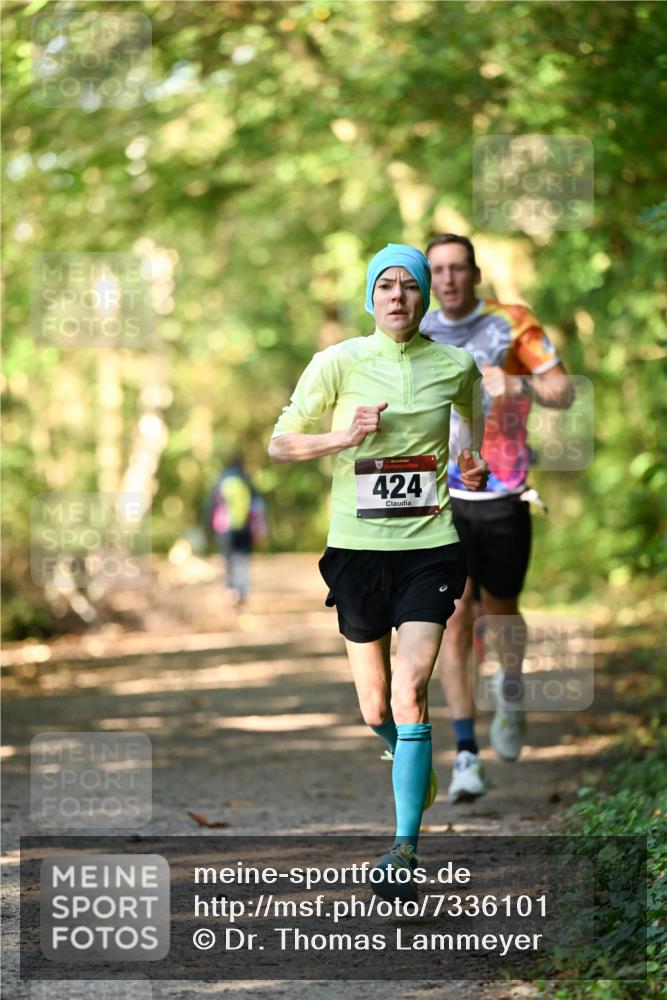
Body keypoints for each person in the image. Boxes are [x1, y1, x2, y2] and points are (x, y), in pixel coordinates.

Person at [269, 244, 489, 900]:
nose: (397, 296)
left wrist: (470, 464)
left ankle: (403, 851)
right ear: (370, 296)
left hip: (430, 548)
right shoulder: (335, 363)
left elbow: (469, 433)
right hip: (357, 552)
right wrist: (341, 437)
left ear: (424, 298)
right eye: (385, 286)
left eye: (409, 286)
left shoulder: (455, 365)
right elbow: (280, 443)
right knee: (374, 706)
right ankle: (408, 760)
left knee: (410, 687)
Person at [421, 234, 573, 803]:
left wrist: (519, 383)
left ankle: (510, 689)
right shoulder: (418, 330)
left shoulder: (512, 322)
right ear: (429, 279)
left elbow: (563, 391)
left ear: (476, 275)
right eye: (439, 270)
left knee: (502, 612)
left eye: (459, 268)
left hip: (506, 492)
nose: (450, 279)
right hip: (441, 496)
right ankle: (465, 755)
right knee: (455, 615)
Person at [206, 459, 267, 606]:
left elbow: (210, 507)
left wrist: (207, 529)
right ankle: (243, 592)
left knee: (228, 560)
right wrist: (261, 530)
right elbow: (258, 508)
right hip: (244, 528)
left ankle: (231, 591)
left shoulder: (220, 482)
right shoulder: (247, 482)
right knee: (243, 560)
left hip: (223, 528)